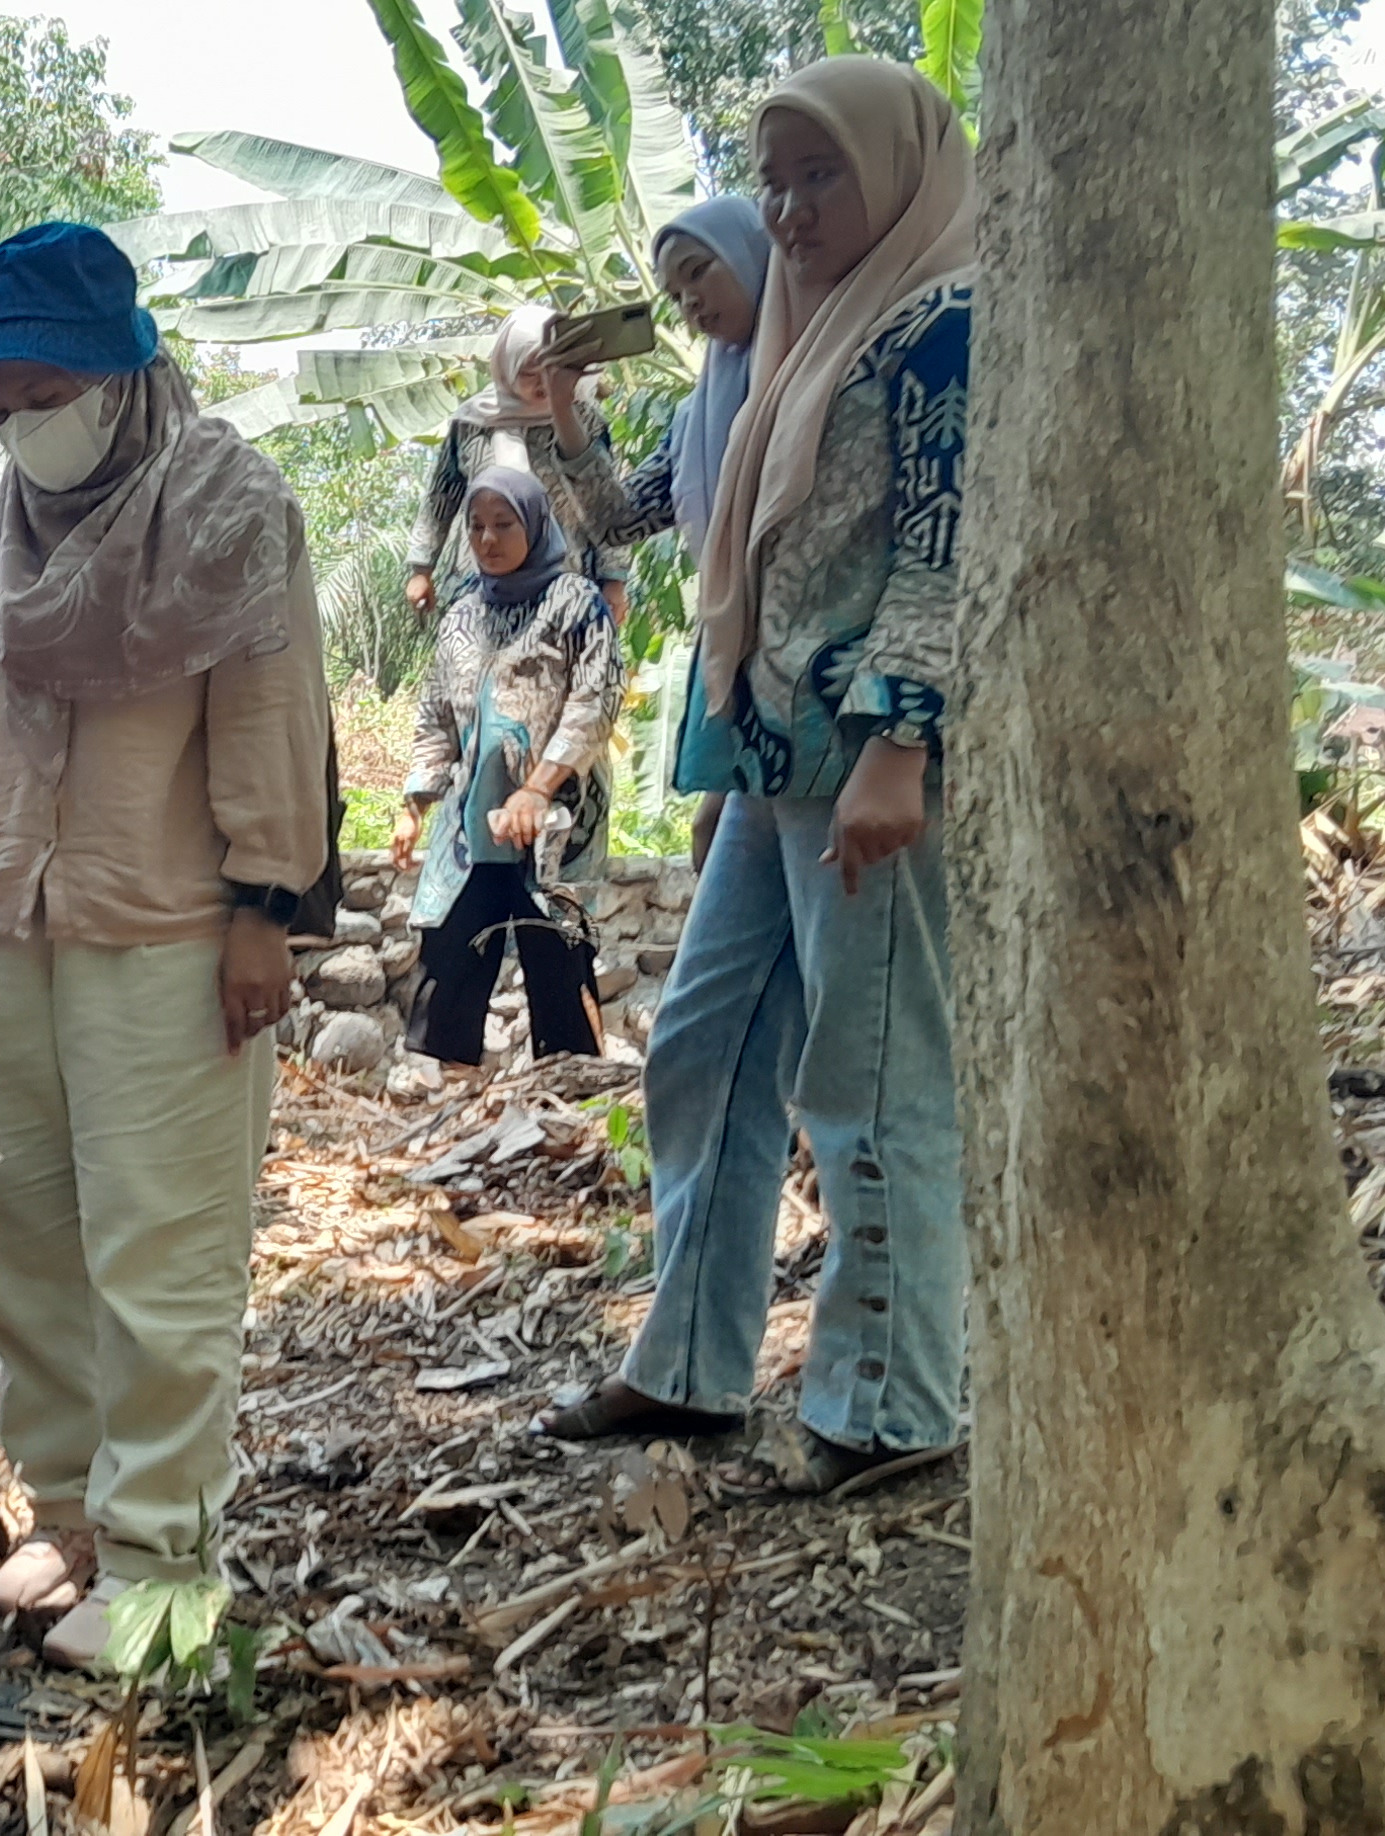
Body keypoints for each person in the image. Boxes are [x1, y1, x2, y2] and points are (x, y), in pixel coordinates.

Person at [536, 57, 972, 1496]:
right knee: (704, 1046)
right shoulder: (792, 334)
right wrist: (556, 414)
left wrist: (902, 744)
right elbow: (655, 517)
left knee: (873, 1067)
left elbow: (943, 544)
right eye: (770, 178)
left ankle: (889, 1408)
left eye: (818, 173)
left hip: (867, 761)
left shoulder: (943, 320)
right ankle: (689, 1368)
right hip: (774, 746)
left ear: (898, 168)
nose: (786, 209)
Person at [0, 224, 334, 1668]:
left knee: (159, 1251)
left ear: (119, 366)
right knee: (16, 1227)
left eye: (47, 392)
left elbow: (272, 702)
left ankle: (167, 1574)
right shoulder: (13, 525)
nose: (25, 425)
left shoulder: (227, 501)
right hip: (0, 911)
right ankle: (73, 1512)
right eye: (0, 403)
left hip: (163, 924)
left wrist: (263, 905)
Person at [528, 198, 775, 865]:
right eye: (674, 293)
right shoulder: (698, 415)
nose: (691, 302)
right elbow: (621, 516)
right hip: (738, 651)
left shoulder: (825, 374)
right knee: (714, 846)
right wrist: (562, 403)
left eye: (701, 273)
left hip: (811, 665)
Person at [390, 467, 618, 1071]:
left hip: (555, 826)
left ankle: (566, 1113)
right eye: (476, 526)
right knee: (449, 970)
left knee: (560, 966)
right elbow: (437, 714)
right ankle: (448, 1110)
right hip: (471, 828)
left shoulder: (577, 605)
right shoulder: (462, 613)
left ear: (536, 525)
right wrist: (415, 805)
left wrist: (539, 789)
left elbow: (595, 704)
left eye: (503, 524)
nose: (487, 539)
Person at [404, 303, 629, 621]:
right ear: (507, 365)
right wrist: (421, 569)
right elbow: (440, 498)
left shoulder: (585, 421)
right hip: (480, 583)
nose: (542, 384)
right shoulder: (472, 421)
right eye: (528, 372)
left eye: (550, 371)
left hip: (567, 584)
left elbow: (607, 507)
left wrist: (615, 580)